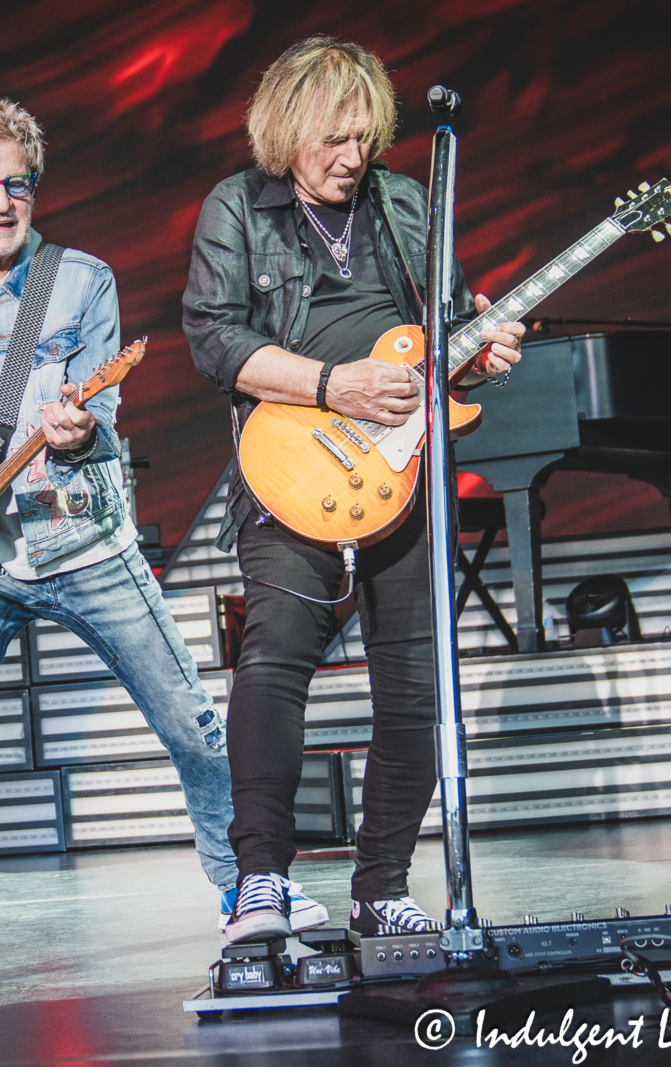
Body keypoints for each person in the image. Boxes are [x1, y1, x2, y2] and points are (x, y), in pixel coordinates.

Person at [0, 96, 324, 997]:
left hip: (77, 536)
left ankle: (245, 890)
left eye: (18, 183)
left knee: (191, 720)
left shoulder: (79, 283)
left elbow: (101, 418)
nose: (2, 201)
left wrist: (72, 433)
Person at [182, 38, 526, 943]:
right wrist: (335, 387)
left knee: (415, 684)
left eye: (365, 139)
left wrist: (480, 354)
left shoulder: (408, 202)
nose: (352, 157)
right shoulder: (238, 209)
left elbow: (443, 342)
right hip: (294, 455)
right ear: (286, 129)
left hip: (407, 468)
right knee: (274, 661)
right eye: (334, 139)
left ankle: (382, 883)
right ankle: (260, 879)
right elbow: (215, 340)